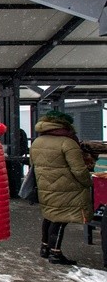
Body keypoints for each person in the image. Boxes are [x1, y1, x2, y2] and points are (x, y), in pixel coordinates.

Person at [30, 111, 93, 265]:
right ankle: (55, 253)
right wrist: (88, 182)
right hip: (66, 187)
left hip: (46, 186)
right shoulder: (67, 142)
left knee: (50, 216)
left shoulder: (38, 141)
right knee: (61, 219)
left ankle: (45, 248)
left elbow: (34, 165)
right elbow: (79, 170)